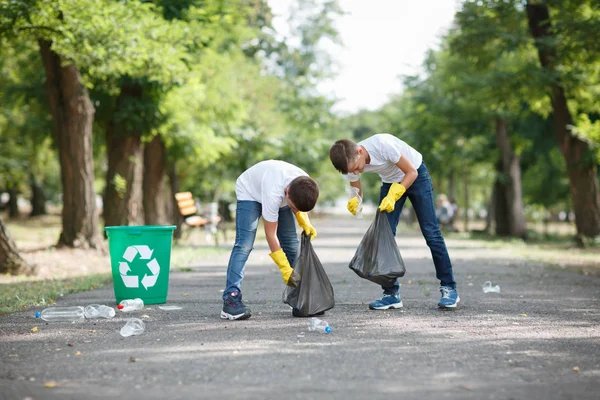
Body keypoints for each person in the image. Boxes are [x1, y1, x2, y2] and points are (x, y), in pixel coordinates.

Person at [329, 134, 459, 309]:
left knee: (431, 233)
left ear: (360, 151)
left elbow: (411, 172)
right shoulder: (350, 164)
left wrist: (396, 193)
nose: (356, 172)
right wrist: (355, 201)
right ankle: (391, 294)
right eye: (352, 171)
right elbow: (356, 190)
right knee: (384, 235)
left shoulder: (383, 145)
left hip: (416, 175)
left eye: (357, 168)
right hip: (390, 182)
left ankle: (449, 288)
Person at [221, 160, 319, 321]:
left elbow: (299, 204)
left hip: (275, 188)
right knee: (244, 245)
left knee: (292, 244)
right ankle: (231, 299)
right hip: (250, 191)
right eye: (293, 207)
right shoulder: (274, 193)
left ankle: (299, 297)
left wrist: (304, 221)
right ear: (287, 192)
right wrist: (284, 267)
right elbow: (270, 234)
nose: (294, 210)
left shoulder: (304, 182)